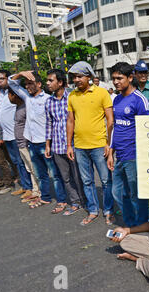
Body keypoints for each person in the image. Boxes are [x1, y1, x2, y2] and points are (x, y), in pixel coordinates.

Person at [8, 71, 68, 211]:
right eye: (26, 84)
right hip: (32, 142)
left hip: (46, 143)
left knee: (55, 174)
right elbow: (11, 83)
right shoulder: (27, 98)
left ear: (39, 84)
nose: (28, 86)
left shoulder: (48, 99)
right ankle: (45, 197)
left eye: (31, 83)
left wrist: (50, 143)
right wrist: (22, 74)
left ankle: (61, 200)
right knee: (40, 174)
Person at [66, 61, 114, 226]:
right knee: (87, 181)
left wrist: (109, 143)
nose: (77, 80)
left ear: (88, 77)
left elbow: (110, 119)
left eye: (80, 76)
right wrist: (69, 145)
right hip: (79, 147)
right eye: (74, 77)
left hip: (100, 145)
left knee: (106, 180)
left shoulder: (102, 93)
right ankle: (93, 210)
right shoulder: (72, 96)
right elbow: (70, 121)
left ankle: (109, 211)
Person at [106, 62, 149, 227]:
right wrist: (111, 152)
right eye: (113, 79)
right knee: (118, 193)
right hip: (119, 156)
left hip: (134, 157)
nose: (116, 82)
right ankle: (130, 223)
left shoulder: (140, 100)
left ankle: (141, 226)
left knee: (136, 195)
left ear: (130, 78)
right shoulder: (116, 99)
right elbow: (115, 128)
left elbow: (148, 132)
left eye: (119, 78)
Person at [45, 69, 85, 215]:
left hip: (74, 144)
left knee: (79, 176)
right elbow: (49, 124)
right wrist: (48, 145)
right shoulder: (49, 102)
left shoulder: (73, 97)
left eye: (51, 80)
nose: (47, 83)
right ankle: (75, 202)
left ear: (60, 82)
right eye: (47, 80)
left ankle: (86, 201)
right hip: (56, 146)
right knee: (66, 178)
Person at [7, 88, 39, 201]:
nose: (8, 98)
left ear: (14, 95)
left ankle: (38, 192)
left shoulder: (26, 107)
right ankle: (34, 190)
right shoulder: (18, 107)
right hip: (20, 144)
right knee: (28, 168)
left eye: (9, 95)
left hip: (26, 143)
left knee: (33, 168)